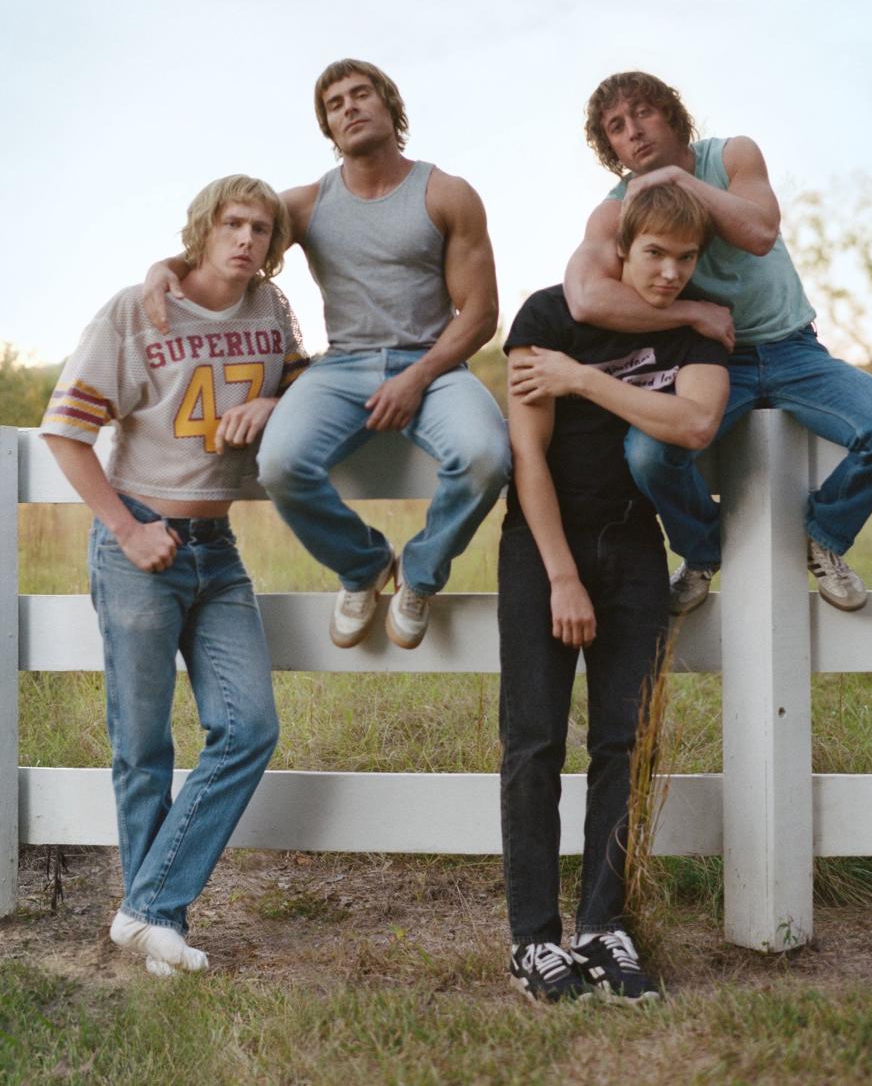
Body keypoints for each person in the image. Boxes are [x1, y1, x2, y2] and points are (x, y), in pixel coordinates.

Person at [145, 60, 510, 650]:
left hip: (436, 365)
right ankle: (365, 565)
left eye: (360, 95)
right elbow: (231, 238)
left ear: (390, 106)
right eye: (334, 104)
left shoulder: (446, 193)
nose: (349, 107)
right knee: (281, 465)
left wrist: (416, 378)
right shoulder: (309, 204)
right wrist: (166, 267)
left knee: (487, 456)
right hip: (342, 367)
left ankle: (418, 574)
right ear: (329, 128)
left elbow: (483, 315)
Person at [42, 175, 308, 975]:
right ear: (201, 230)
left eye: (261, 228)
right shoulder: (139, 307)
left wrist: (277, 402)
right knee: (143, 745)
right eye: (232, 223)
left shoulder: (272, 310)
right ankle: (162, 925)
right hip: (139, 547)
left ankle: (145, 906)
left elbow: (302, 378)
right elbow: (65, 430)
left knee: (250, 725)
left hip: (217, 549)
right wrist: (126, 528)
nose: (247, 239)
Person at [565, 71, 872, 615]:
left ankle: (824, 535)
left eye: (643, 113)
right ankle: (702, 553)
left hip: (793, 348)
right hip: (706, 359)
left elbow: (759, 233)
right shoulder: (617, 209)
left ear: (671, 115)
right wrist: (692, 311)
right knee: (649, 454)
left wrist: (679, 182)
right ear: (609, 145)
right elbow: (587, 299)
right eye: (616, 127)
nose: (633, 131)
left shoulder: (732, 156)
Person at [500, 182, 729, 1002]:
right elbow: (529, 457)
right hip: (544, 543)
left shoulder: (699, 328)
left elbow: (694, 425)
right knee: (533, 743)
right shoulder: (546, 317)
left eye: (684, 258)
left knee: (623, 744)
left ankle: (604, 925)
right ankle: (532, 939)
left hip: (637, 546)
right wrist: (561, 573)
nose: (670, 273)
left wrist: (582, 380)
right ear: (620, 250)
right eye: (654, 255)